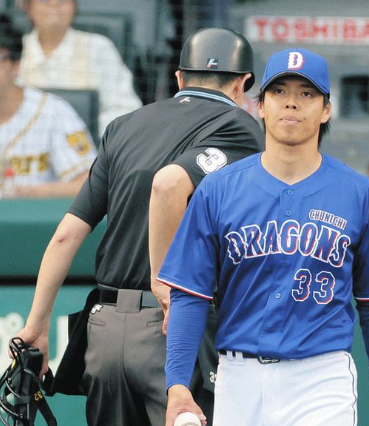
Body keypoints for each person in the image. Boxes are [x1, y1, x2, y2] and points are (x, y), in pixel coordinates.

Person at [12, 27, 263, 426]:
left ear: (179, 77)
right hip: (173, 326)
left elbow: (65, 234)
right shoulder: (242, 126)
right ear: (243, 83)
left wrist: (36, 324)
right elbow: (169, 184)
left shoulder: (123, 126)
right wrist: (163, 283)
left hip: (104, 329)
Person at [157, 47, 369, 426]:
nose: (291, 103)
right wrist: (177, 385)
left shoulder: (358, 193)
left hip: (321, 377)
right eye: (279, 91)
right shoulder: (218, 189)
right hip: (237, 375)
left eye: (306, 93)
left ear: (326, 110)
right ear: (259, 105)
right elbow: (190, 294)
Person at [0, 13, 95, 198]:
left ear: (15, 66)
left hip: (34, 213)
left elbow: (89, 182)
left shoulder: (53, 111)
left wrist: (31, 193)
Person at [18, 0, 142, 137]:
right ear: (28, 7)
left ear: (74, 6)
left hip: (91, 143)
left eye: (63, 0)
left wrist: (81, 131)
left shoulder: (98, 47)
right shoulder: (12, 52)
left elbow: (127, 109)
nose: (54, 4)